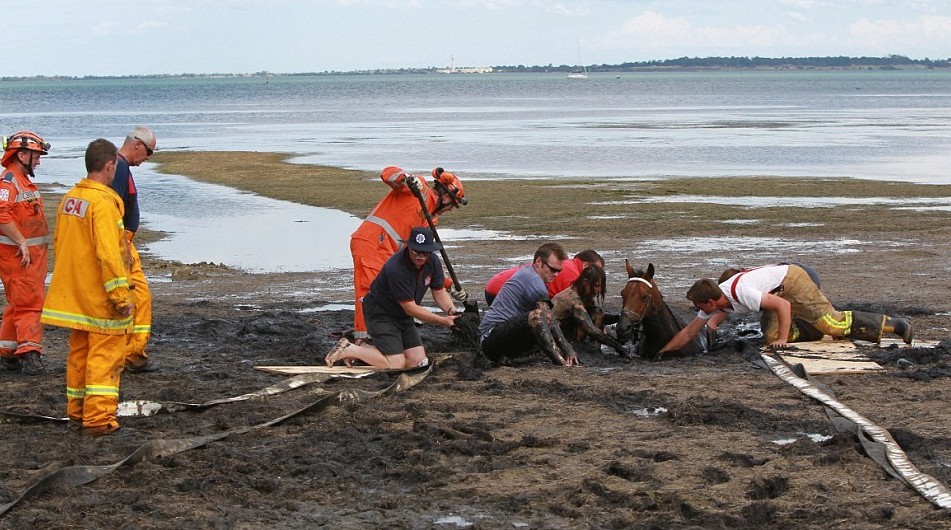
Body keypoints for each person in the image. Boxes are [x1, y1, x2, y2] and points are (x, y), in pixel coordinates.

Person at [41, 139, 134, 436]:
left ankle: (78, 412)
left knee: (79, 355)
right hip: (99, 299)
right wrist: (121, 296)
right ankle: (98, 419)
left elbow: (60, 245)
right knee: (105, 358)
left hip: (76, 297)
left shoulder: (71, 199)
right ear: (109, 166)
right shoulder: (103, 204)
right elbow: (109, 254)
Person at [658, 263, 913, 355]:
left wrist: (783, 340)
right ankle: (810, 329)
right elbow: (690, 332)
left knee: (832, 324)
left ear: (710, 302)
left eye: (698, 306)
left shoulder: (740, 293)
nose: (696, 310)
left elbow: (783, 304)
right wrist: (663, 352)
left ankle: (894, 324)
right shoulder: (717, 300)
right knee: (769, 338)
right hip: (776, 291)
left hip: (793, 281)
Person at [349, 166, 466, 343]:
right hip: (372, 243)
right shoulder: (420, 190)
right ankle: (365, 341)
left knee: (391, 292)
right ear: (446, 196)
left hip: (390, 253)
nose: (450, 209)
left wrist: (448, 284)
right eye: (453, 204)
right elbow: (388, 174)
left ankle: (384, 335)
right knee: (370, 293)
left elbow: (421, 260)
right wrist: (407, 179)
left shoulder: (430, 220)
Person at [327, 227, 460, 369]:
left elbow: (439, 291)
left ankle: (361, 350)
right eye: (416, 251)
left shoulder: (433, 261)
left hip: (402, 316)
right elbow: (410, 308)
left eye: (425, 253)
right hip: (381, 313)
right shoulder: (396, 268)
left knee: (416, 361)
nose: (421, 256)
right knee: (396, 364)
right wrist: (443, 321)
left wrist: (451, 310)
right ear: (408, 247)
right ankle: (349, 348)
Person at [0, 131, 51, 375]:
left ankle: (7, 353)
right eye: (36, 156)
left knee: (17, 305)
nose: (38, 161)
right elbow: (1, 214)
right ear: (22, 155)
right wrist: (21, 242)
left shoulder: (21, 180)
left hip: (29, 258)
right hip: (20, 259)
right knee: (31, 305)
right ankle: (30, 355)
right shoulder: (9, 181)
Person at [479, 242, 577, 366]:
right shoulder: (534, 281)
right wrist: (567, 349)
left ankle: (514, 358)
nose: (556, 274)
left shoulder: (529, 272)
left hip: (503, 335)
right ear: (539, 262)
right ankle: (560, 362)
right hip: (490, 337)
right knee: (537, 316)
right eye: (552, 269)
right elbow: (548, 319)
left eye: (559, 271)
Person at [111, 127, 157, 373]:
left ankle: (132, 352)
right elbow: (113, 211)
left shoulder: (119, 167)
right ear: (137, 145)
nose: (147, 158)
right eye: (148, 152)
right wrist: (122, 246)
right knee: (138, 297)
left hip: (124, 241)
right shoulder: (118, 169)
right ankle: (132, 354)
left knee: (137, 297)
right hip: (122, 243)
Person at [550, 264, 629, 357]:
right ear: (585, 282)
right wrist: (619, 348)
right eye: (596, 286)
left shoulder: (583, 295)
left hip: (567, 332)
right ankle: (592, 351)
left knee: (597, 312)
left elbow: (601, 317)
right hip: (557, 338)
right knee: (596, 312)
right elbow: (592, 330)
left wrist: (620, 317)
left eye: (601, 286)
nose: (599, 290)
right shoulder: (573, 299)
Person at [484, 249, 604, 306]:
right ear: (586, 265)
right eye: (596, 270)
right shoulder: (573, 274)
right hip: (500, 291)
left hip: (494, 285)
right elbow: (571, 304)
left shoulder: (566, 264)